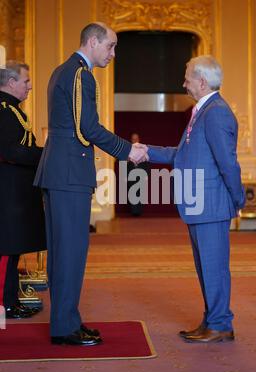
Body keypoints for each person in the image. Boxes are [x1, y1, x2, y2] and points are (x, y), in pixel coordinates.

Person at [34, 22, 147, 346]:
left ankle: (66, 322)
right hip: (69, 172)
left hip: (59, 170)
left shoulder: (62, 70)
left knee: (61, 252)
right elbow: (89, 128)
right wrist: (127, 150)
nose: (113, 54)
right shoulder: (82, 75)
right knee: (70, 252)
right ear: (93, 42)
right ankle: (65, 328)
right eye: (110, 46)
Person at [138, 56, 245, 343]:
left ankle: (221, 323)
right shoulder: (202, 112)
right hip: (201, 204)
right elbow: (182, 154)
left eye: (186, 78)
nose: (183, 83)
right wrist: (147, 150)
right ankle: (213, 320)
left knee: (214, 267)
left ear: (202, 81)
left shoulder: (216, 113)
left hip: (210, 204)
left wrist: (237, 199)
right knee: (206, 268)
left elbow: (228, 163)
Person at [0, 61, 46, 319]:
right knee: (5, 253)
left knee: (12, 250)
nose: (29, 86)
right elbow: (10, 151)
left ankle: (10, 301)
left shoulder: (12, 110)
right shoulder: (4, 110)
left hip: (14, 193)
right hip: (7, 194)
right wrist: (45, 154)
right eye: (26, 81)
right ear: (11, 82)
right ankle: (3, 305)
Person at [127, 133, 149, 216]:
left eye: (136, 139)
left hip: (141, 175)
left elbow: (147, 163)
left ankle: (138, 211)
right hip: (130, 175)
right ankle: (134, 211)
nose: (135, 141)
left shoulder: (143, 150)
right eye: (133, 139)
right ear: (131, 140)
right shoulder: (127, 150)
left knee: (140, 193)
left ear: (139, 140)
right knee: (131, 193)